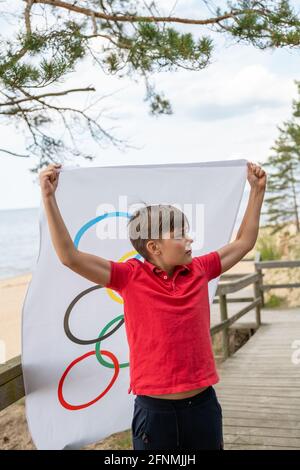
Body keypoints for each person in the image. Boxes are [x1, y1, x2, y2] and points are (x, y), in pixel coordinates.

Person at [39, 161, 266, 450]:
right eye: (179, 235)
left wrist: (257, 191)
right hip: (154, 413)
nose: (189, 239)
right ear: (154, 247)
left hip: (203, 407)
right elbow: (69, 256)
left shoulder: (201, 269)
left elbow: (244, 241)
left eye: (187, 231)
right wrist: (48, 197)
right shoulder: (129, 276)